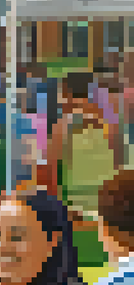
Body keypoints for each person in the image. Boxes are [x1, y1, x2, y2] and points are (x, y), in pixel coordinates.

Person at [48, 72, 123, 222]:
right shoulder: (111, 126)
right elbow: (119, 164)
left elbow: (52, 170)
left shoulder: (62, 127)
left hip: (75, 209)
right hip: (106, 206)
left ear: (66, 93)